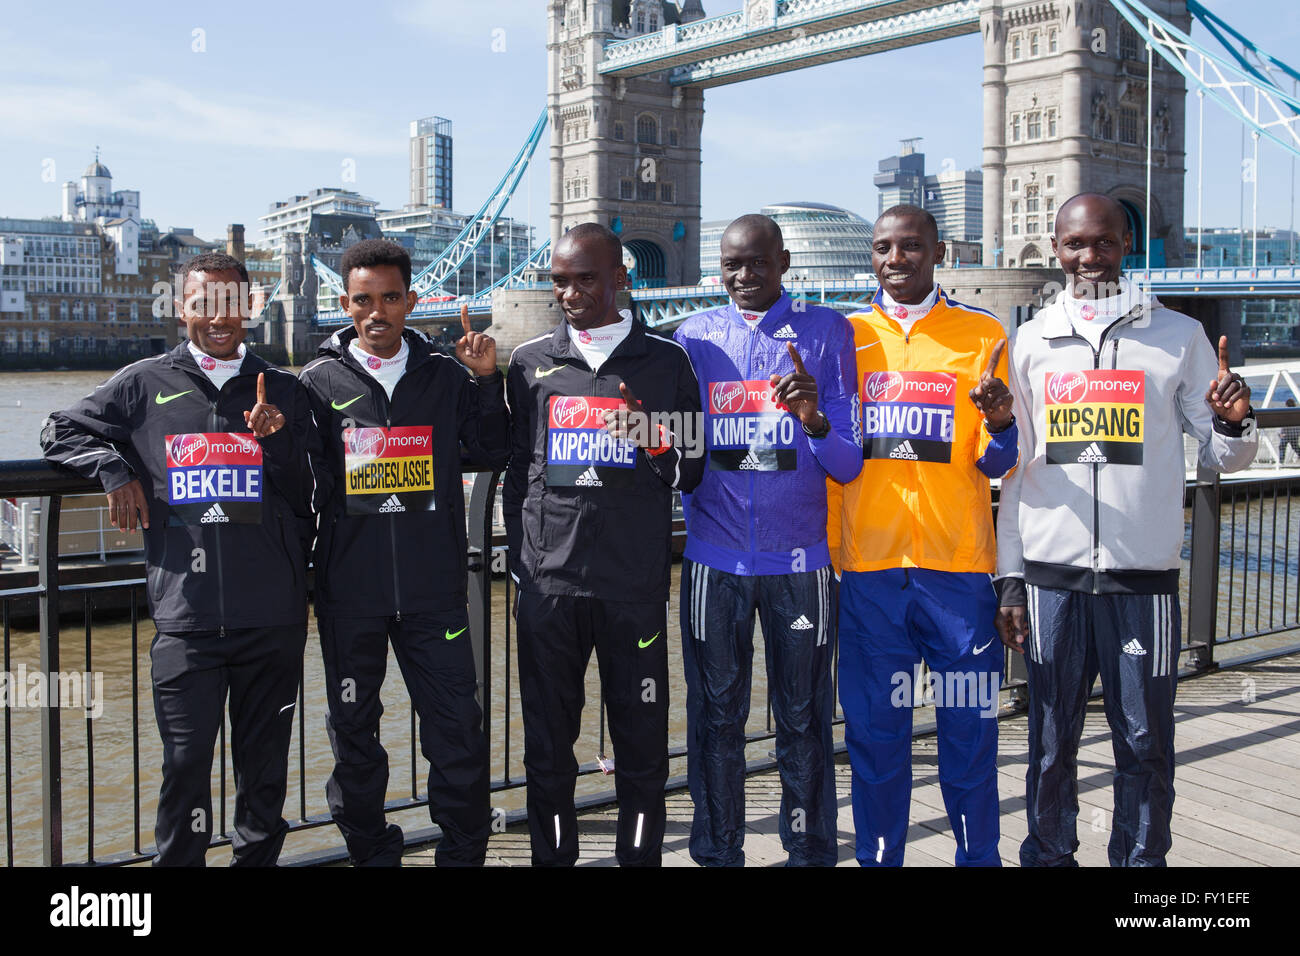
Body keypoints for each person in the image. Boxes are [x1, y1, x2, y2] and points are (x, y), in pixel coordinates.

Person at [994, 192, 1257, 867]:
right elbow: (1016, 474)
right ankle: (1049, 856)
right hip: (1053, 580)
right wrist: (1011, 580)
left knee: (1144, 741)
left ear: (1124, 245)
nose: (1090, 257)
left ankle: (1141, 868)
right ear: (1056, 249)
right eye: (1076, 244)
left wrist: (1232, 420)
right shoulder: (1028, 343)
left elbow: (1224, 456)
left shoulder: (1178, 337)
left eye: (1104, 242)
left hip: (1143, 580)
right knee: (1050, 742)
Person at [42, 252, 317, 865]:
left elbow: (308, 499)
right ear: (183, 310)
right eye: (203, 303)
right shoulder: (143, 382)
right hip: (186, 622)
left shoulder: (288, 390)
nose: (218, 318)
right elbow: (57, 430)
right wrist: (113, 470)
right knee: (185, 774)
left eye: (231, 304)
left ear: (250, 309)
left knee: (264, 778)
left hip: (271, 619)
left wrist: (278, 446)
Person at [299, 238, 507, 866]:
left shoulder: (446, 375)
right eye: (363, 300)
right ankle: (372, 853)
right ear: (345, 303)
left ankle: (464, 853)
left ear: (412, 301)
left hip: (432, 590)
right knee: (354, 738)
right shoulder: (313, 383)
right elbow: (294, 477)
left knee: (455, 733)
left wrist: (489, 380)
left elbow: (493, 450)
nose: (377, 312)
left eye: (391, 298)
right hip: (349, 593)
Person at [504, 222, 705, 866]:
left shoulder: (668, 362)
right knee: (547, 745)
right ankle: (552, 859)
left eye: (585, 278)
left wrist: (652, 433)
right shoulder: (529, 363)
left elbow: (694, 467)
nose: (569, 293)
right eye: (559, 280)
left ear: (620, 277)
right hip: (550, 590)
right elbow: (514, 467)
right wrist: (523, 567)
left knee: (642, 746)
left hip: (633, 588)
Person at [830, 204, 1017, 867]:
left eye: (911, 246)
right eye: (883, 247)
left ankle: (978, 859)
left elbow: (999, 464)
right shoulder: (842, 336)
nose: (896, 258)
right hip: (869, 579)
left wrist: (1001, 427)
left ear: (939, 250)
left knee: (969, 741)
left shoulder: (984, 333)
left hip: (958, 580)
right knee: (877, 745)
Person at [673, 214, 861, 867]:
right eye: (732, 264)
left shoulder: (828, 332)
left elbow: (848, 463)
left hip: (800, 562)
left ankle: (809, 847)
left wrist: (812, 418)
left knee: (805, 716)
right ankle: (717, 849)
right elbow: (672, 445)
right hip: (711, 563)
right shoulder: (692, 336)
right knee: (716, 717)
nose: (744, 276)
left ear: (783, 262)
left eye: (757, 263)